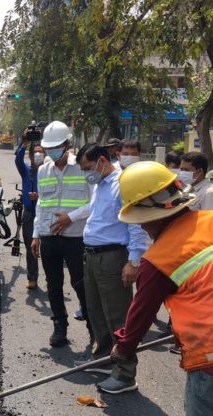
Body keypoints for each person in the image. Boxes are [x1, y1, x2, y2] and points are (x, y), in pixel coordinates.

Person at [111, 160, 213, 416]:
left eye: (141, 220)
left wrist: (123, 349)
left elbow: (141, 314)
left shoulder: (158, 259)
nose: (142, 228)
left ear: (153, 215)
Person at [74, 143, 148, 394]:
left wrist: (133, 261)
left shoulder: (123, 184)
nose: (86, 173)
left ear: (102, 161)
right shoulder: (101, 184)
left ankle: (126, 374)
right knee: (95, 310)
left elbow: (136, 225)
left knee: (118, 316)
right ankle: (104, 358)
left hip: (113, 257)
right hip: (93, 256)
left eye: (88, 167)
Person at [31, 121, 91, 347]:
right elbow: (41, 204)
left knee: (81, 283)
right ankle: (60, 326)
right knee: (53, 284)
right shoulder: (43, 170)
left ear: (67, 144)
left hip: (76, 237)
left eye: (57, 147)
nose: (52, 151)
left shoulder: (83, 168)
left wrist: (70, 218)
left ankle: (93, 327)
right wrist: (36, 234)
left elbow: (95, 203)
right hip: (49, 237)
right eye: (49, 148)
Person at [14, 138, 43, 289]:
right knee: (30, 245)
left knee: (48, 247)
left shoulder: (49, 171)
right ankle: (32, 277)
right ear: (30, 156)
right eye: (35, 153)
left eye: (41, 153)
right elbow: (18, 159)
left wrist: (39, 197)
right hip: (30, 213)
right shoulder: (26, 170)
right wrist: (25, 141)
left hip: (46, 213)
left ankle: (52, 280)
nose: (38, 155)